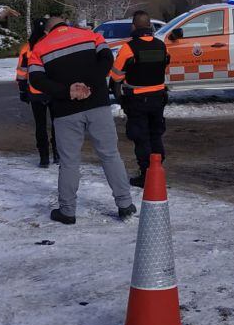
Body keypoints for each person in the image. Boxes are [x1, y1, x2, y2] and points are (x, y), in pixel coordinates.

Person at [28, 17, 136, 224]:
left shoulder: (40, 48)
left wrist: (68, 91)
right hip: (98, 105)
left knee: (69, 162)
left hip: (65, 111)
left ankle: (67, 211)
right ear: (66, 25)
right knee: (110, 155)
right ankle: (125, 204)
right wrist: (89, 84)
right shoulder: (91, 35)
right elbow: (107, 60)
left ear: (47, 31)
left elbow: (36, 79)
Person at [110, 11, 170, 187]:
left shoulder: (129, 48)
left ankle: (146, 175)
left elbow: (115, 75)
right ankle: (158, 168)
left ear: (133, 26)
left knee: (141, 136)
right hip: (159, 97)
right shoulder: (161, 45)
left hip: (137, 99)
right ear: (150, 26)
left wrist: (119, 96)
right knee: (156, 133)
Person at [16, 18, 59, 167]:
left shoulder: (27, 48)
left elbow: (22, 72)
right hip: (54, 91)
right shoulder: (53, 45)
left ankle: (44, 157)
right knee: (57, 123)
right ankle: (58, 153)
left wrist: (22, 90)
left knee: (40, 126)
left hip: (35, 92)